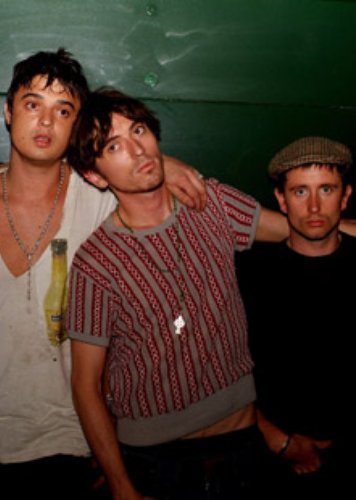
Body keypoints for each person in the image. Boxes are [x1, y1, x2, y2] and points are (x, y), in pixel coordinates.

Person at [0, 49, 207, 500]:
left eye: (63, 111)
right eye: (33, 104)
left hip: (75, 442)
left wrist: (164, 165)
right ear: (8, 112)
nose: (46, 121)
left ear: (76, 125)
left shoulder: (101, 200)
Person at [65, 88, 290, 500]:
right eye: (114, 146)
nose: (137, 150)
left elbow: (300, 230)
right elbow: (85, 385)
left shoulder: (210, 201)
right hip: (155, 461)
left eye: (139, 130)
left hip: (241, 445)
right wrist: (121, 486)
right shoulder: (95, 263)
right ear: (95, 175)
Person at [236, 136, 356, 498]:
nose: (314, 206)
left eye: (326, 190)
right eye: (300, 192)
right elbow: (221, 367)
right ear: (281, 199)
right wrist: (278, 441)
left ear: (345, 197)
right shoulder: (248, 273)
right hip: (271, 455)